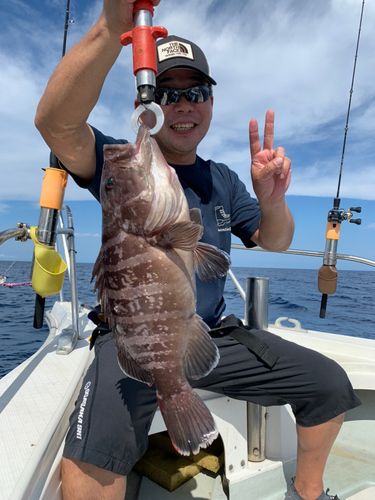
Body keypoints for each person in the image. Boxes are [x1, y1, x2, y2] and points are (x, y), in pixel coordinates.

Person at [35, 1, 361, 499]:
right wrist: (109, 28)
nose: (184, 104)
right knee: (93, 454)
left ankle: (308, 493)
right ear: (149, 103)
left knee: (331, 385)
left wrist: (273, 201)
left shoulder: (223, 179)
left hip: (211, 333)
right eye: (168, 93)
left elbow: (276, 240)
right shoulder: (121, 164)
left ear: (209, 102)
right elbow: (56, 124)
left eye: (196, 92)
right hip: (132, 338)